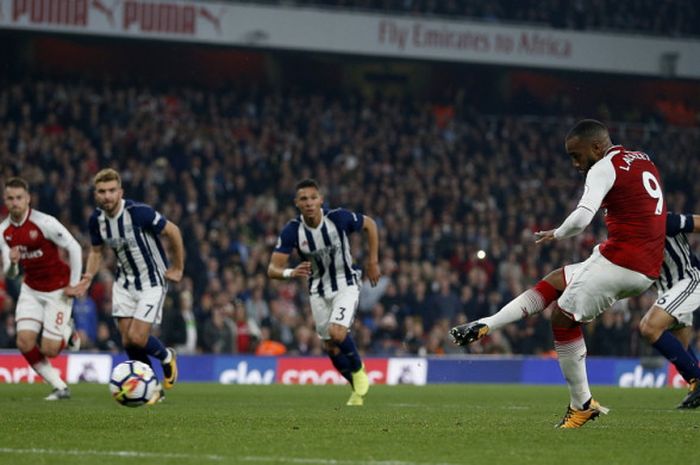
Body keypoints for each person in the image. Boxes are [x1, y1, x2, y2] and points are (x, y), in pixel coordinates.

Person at [451, 119, 667, 428]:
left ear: (597, 147)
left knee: (562, 318)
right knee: (556, 281)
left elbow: (581, 219)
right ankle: (487, 324)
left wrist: (557, 232)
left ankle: (581, 404)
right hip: (643, 264)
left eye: (577, 155)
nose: (576, 164)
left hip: (623, 261)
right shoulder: (642, 159)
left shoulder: (603, 167)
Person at [73, 168, 184, 403]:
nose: (107, 196)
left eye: (112, 191)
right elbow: (96, 250)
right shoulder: (97, 220)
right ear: (96, 194)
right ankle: (154, 388)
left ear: (120, 192)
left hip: (151, 281)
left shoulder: (138, 213)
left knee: (137, 337)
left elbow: (173, 231)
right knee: (127, 341)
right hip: (123, 283)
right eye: (102, 191)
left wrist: (177, 267)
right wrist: (89, 275)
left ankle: (166, 357)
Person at [268, 178, 380, 406]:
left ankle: (359, 370)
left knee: (337, 332)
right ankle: (356, 389)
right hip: (318, 289)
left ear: (321, 200)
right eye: (303, 199)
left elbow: (370, 225)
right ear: (296, 203)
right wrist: (290, 273)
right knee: (329, 345)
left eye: (312, 198)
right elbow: (272, 269)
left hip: (346, 283)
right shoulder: (293, 231)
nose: (309, 203)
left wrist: (373, 261)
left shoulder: (337, 218)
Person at [0, 177, 83, 400]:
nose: (15, 202)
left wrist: (74, 284)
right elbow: (11, 273)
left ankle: (69, 332)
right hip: (31, 289)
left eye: (19, 198)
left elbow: (74, 247)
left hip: (58, 289)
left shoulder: (44, 222)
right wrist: (14, 262)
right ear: (5, 200)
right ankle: (59, 386)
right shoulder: (3, 231)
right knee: (24, 342)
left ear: (28, 199)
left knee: (49, 349)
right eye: (10, 198)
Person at [639, 212, 700, 409]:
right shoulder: (627, 232)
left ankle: (698, 381)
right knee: (681, 347)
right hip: (666, 290)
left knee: (649, 327)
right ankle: (696, 389)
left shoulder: (664, 220)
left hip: (689, 281)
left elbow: (697, 222)